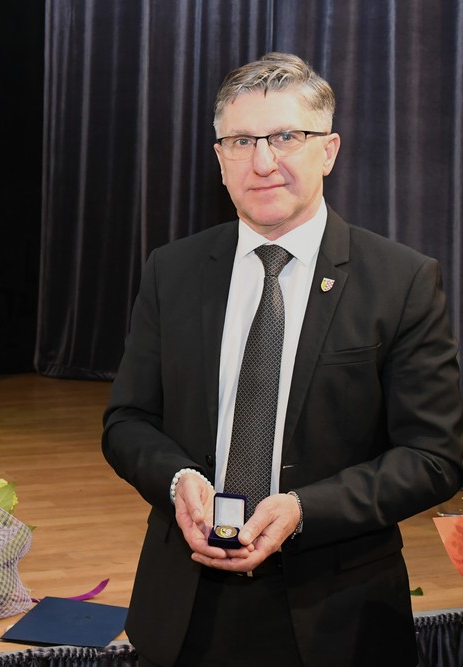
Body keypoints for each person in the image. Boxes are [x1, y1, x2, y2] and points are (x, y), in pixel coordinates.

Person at [102, 52, 463, 666]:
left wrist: (302, 510)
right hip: (185, 606)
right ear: (219, 159)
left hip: (338, 612)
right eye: (241, 141)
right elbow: (127, 421)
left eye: (286, 137)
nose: (263, 162)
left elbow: (434, 456)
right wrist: (177, 480)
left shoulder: (400, 281)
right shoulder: (172, 271)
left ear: (329, 151)